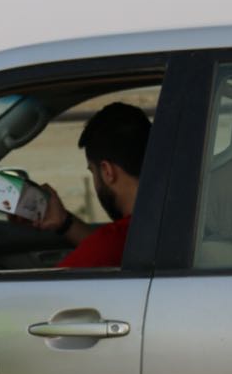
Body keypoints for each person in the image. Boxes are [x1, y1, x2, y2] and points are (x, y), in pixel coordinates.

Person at [30, 102, 150, 268]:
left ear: (107, 171)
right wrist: (64, 222)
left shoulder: (115, 241)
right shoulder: (172, 222)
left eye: (92, 171)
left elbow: (47, 291)